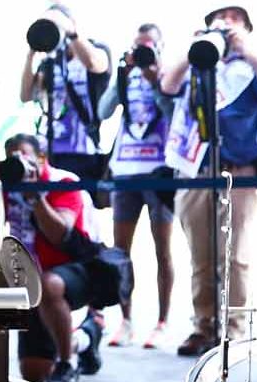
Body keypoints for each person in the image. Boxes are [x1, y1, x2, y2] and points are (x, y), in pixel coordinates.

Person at [161, 5, 257, 357]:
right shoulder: (199, 65)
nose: (225, 24)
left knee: (234, 255)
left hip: (239, 169)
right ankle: (203, 325)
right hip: (194, 167)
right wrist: (193, 52)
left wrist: (246, 49)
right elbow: (167, 84)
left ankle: (233, 328)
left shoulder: (253, 66)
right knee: (200, 253)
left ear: (247, 27)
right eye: (219, 19)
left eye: (233, 19)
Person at [0, 134, 131, 382]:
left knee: (48, 284)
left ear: (40, 158)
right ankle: (85, 338)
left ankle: (67, 362)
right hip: (31, 278)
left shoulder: (64, 182)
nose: (18, 162)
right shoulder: (6, 185)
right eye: (11, 157)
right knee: (34, 373)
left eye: (24, 156)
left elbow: (60, 234)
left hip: (80, 269)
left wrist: (35, 198)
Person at [96, 23, 175, 349]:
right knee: (121, 252)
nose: (142, 53)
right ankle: (126, 321)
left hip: (158, 171)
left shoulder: (169, 76)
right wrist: (121, 73)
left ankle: (162, 321)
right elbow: (102, 111)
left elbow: (174, 113)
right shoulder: (125, 75)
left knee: (162, 250)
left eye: (149, 47)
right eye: (138, 47)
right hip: (125, 171)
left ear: (159, 49)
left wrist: (157, 82)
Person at [19, 4, 111, 198]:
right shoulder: (49, 61)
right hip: (48, 149)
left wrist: (70, 32)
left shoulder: (96, 49)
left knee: (79, 213)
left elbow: (95, 64)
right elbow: (26, 95)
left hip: (82, 152)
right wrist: (32, 51)